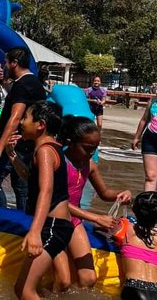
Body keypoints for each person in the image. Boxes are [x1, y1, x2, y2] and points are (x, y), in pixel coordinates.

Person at [52, 116, 131, 291]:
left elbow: (104, 193)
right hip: (53, 221)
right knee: (63, 281)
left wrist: (121, 193)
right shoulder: (58, 163)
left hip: (73, 221)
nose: (91, 153)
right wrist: (95, 217)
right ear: (70, 142)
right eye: (87, 148)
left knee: (88, 279)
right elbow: (57, 200)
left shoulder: (89, 165)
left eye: (95, 149)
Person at [5, 101, 73, 300]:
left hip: (53, 227)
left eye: (25, 118)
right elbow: (30, 179)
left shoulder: (44, 151)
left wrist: (34, 232)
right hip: (55, 225)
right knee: (25, 289)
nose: (22, 123)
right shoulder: (50, 148)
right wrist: (12, 155)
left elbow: (46, 191)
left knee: (25, 290)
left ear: (40, 125)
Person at [0, 48, 47, 210]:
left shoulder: (22, 85)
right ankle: (22, 221)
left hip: (14, 144)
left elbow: (15, 118)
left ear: (14, 63)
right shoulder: (34, 83)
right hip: (27, 144)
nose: (4, 68)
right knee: (21, 188)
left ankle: (1, 216)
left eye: (6, 63)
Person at [116, 191, 157, 300]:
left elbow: (103, 225)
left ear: (134, 210)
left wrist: (122, 201)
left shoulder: (125, 227)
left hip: (134, 287)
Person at [132, 88, 157, 191]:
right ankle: (148, 205)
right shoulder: (153, 101)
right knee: (151, 176)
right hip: (150, 140)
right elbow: (144, 120)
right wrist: (136, 137)